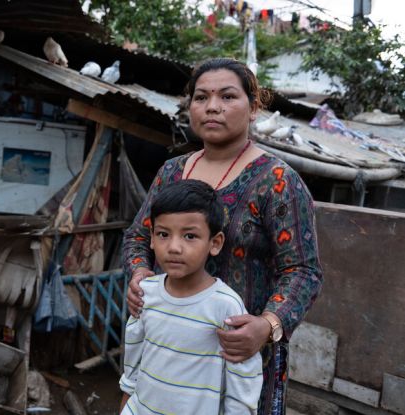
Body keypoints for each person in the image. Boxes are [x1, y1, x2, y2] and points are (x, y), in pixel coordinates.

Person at [122, 57, 323, 415]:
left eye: (227, 96)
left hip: (239, 356)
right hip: (170, 351)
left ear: (253, 107)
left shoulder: (277, 182)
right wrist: (139, 274)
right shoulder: (171, 172)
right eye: (201, 98)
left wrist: (267, 325)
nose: (212, 107)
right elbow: (139, 236)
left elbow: (303, 272)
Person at [119, 179, 263, 415]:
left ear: (214, 243)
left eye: (189, 236)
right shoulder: (146, 293)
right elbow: (133, 359)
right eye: (164, 234)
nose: (174, 247)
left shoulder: (225, 306)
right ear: (152, 239)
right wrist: (126, 405)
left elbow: (242, 378)